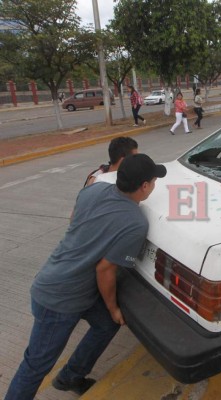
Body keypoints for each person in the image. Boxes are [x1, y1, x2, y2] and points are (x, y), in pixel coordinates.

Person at [5, 154, 167, 400]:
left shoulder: (94, 189)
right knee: (36, 364)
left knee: (106, 325)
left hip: (68, 284)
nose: (154, 187)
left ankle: (69, 377)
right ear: (144, 186)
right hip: (58, 299)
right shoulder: (134, 222)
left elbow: (73, 218)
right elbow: (105, 270)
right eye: (153, 182)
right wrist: (113, 308)